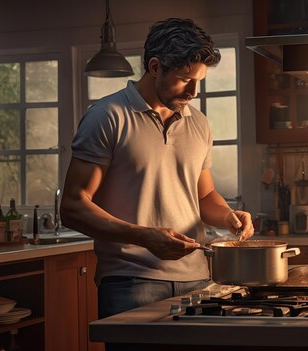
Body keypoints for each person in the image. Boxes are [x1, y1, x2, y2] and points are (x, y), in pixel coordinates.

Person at [60, 18, 254, 322]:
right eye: (184, 79)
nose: (193, 91)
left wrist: (227, 215)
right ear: (154, 67)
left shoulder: (198, 123)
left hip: (198, 281)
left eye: (199, 81)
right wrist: (145, 237)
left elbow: (204, 196)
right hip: (131, 282)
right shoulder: (107, 117)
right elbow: (72, 206)